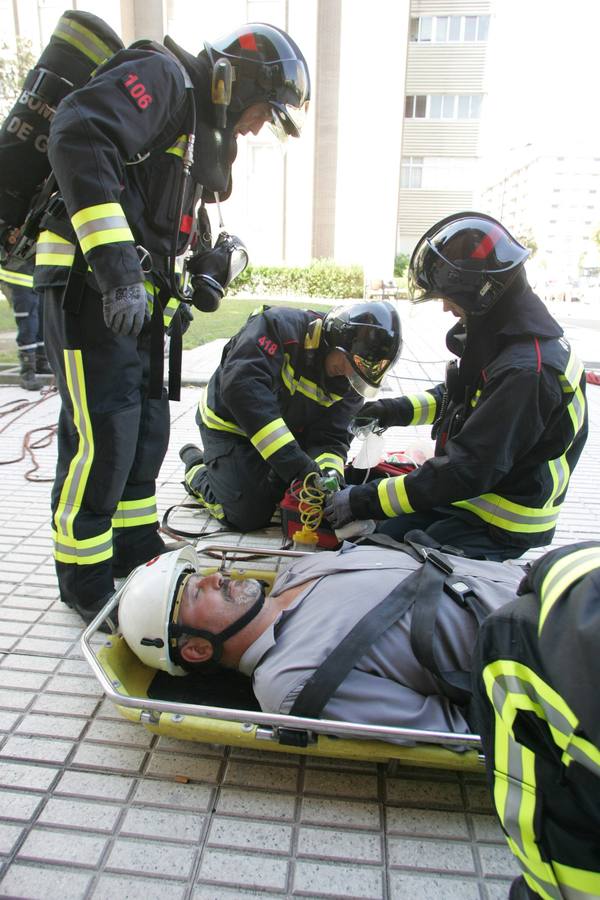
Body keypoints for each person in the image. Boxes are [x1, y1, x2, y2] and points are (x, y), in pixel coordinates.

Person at [35, 21, 311, 625]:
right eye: (265, 110)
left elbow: (162, 217)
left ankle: (132, 549)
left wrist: (205, 264)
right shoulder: (162, 77)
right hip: (89, 289)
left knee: (145, 432)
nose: (260, 125)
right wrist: (117, 272)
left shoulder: (190, 131)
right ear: (241, 85)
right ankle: (82, 579)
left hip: (137, 305)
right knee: (103, 437)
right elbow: (80, 133)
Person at [325, 212, 588, 562]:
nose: (447, 308)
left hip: (499, 519)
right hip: (474, 495)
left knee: (380, 561)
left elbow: (466, 469)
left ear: (481, 291)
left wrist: (363, 500)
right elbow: (462, 399)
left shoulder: (527, 371)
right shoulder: (509, 340)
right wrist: (391, 410)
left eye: (449, 297)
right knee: (373, 540)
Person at [118, 542, 523, 737]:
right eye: (194, 592)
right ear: (197, 648)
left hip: (529, 575)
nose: (213, 576)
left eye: (197, 575)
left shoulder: (303, 570)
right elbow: (454, 730)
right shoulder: (289, 680)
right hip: (543, 644)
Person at [180, 301, 402, 531]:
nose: (349, 376)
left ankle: (268, 473)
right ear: (337, 340)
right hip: (231, 427)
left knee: (284, 493)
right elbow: (242, 390)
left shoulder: (351, 383)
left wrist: (331, 477)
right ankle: (195, 467)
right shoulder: (278, 328)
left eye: (358, 374)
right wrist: (296, 465)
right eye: (347, 364)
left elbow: (332, 438)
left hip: (283, 435)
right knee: (246, 515)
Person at [471, 541, 600, 899]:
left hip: (494, 525)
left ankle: (549, 878)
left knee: (510, 635)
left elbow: (449, 482)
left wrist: (362, 502)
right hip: (516, 523)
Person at [0, 234, 51, 391]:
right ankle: (27, 372)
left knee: (42, 320)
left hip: (36, 274)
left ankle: (41, 362)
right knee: (28, 324)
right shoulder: (11, 214)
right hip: (18, 274)